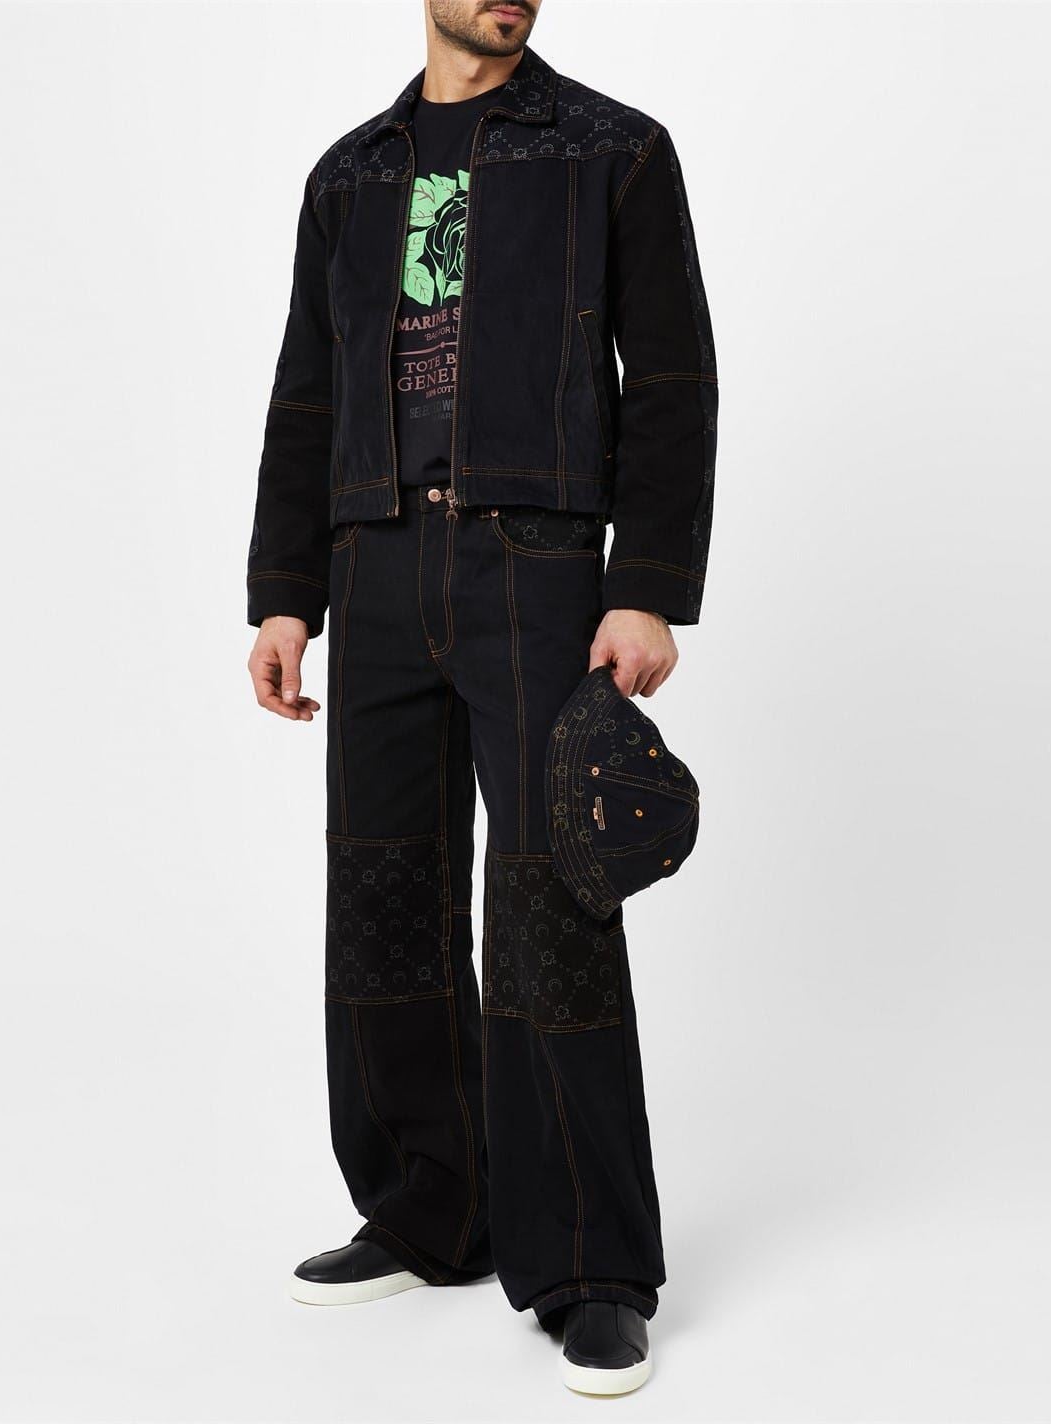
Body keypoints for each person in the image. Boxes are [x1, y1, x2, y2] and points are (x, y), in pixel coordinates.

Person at [245, 0, 716, 1396]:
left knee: (548, 907)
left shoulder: (614, 151)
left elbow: (672, 375)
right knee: (382, 892)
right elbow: (308, 387)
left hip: (539, 563)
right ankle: (427, 1208)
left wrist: (647, 584)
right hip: (375, 558)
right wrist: (285, 592)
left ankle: (591, 1268)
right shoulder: (349, 175)